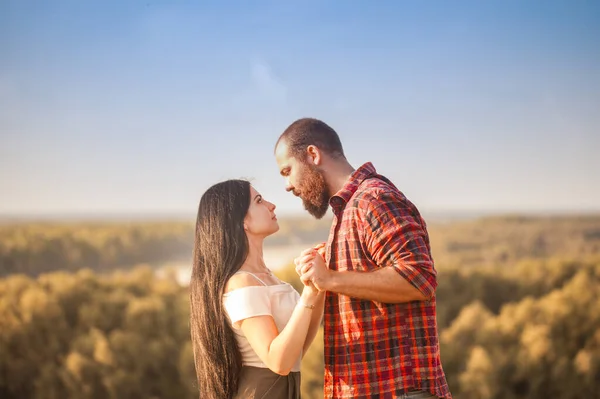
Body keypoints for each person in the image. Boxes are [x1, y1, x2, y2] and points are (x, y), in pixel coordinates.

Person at [274, 118, 452, 399]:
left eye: (287, 171)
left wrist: (330, 278)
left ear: (312, 155)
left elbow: (420, 279)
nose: (287, 185)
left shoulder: (374, 200)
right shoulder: (347, 210)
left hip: (400, 391)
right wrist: (327, 261)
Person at [189, 179, 325, 399]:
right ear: (242, 221)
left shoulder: (267, 278)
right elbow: (279, 362)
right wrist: (307, 294)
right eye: (259, 201)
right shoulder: (242, 284)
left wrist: (318, 287)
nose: (272, 205)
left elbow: (296, 351)